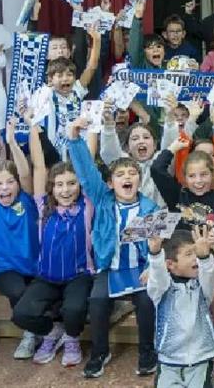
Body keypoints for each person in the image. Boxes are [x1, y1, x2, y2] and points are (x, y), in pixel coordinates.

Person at [67, 120, 161, 378]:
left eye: (132, 174)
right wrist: (75, 138)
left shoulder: (150, 208)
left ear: (139, 181)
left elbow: (157, 247)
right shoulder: (102, 199)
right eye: (120, 175)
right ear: (110, 183)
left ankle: (146, 350)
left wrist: (153, 266)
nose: (127, 178)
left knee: (146, 301)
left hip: (141, 268)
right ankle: (100, 351)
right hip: (109, 267)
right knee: (97, 301)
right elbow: (86, 172)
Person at [11, 125, 94, 369]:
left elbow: (87, 164)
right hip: (46, 277)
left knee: (75, 310)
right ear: (51, 188)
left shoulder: (87, 206)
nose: (65, 190)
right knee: (21, 314)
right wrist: (33, 130)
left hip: (79, 276)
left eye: (71, 184)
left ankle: (71, 338)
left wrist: (89, 126)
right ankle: (52, 332)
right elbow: (39, 165)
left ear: (79, 186)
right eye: (59, 185)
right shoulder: (43, 207)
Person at [0, 120, 41, 360]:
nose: (4, 188)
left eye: (9, 182)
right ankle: (28, 334)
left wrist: (12, 141)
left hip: (34, 264)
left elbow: (26, 172)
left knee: (47, 291)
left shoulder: (27, 200)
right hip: (5, 268)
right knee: (19, 292)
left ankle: (48, 330)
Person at [146, 225, 214, 388]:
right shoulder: (161, 290)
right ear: (170, 264)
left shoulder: (203, 287)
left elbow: (209, 273)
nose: (195, 257)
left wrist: (204, 256)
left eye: (196, 252)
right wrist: (155, 253)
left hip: (201, 358)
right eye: (189, 254)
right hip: (169, 360)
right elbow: (157, 275)